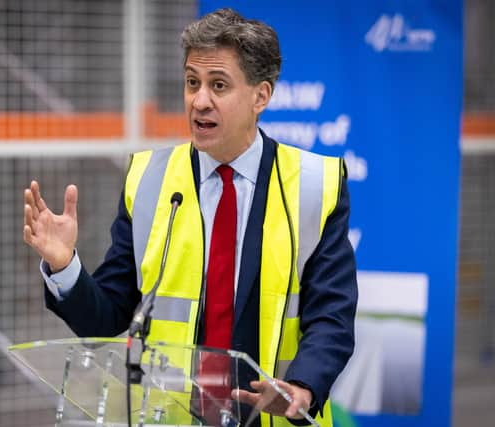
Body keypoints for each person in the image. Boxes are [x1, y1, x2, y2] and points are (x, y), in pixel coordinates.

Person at [23, 8, 357, 427]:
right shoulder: (149, 180)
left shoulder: (315, 185)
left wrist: (302, 387)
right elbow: (108, 317)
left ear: (260, 96)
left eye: (219, 85)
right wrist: (64, 266)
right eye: (192, 82)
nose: (200, 100)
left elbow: (332, 316)